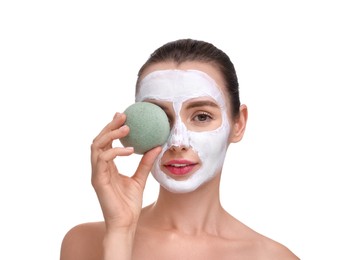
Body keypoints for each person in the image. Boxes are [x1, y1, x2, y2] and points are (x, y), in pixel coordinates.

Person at [60, 38, 299, 260]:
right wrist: (120, 233)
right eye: (161, 118)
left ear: (238, 124)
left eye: (202, 117)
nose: (177, 142)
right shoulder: (85, 243)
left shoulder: (273, 256)